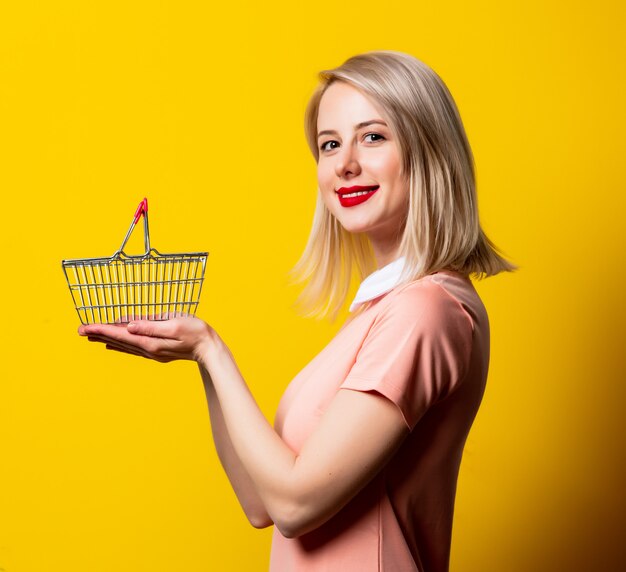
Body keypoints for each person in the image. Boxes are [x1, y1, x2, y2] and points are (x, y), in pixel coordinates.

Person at [79, 51, 517, 571]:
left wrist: (211, 349)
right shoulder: (387, 309)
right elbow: (260, 501)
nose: (344, 162)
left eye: (373, 136)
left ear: (429, 150)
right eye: (329, 144)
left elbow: (294, 504)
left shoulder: (424, 312)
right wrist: (201, 359)